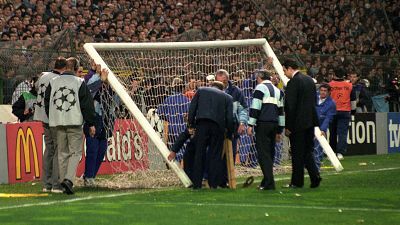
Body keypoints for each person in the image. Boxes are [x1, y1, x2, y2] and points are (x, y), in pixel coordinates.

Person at [45, 57, 96, 195]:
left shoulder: (53, 82)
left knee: (61, 152)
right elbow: (87, 105)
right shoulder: (79, 82)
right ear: (75, 68)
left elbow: (47, 102)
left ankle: (62, 182)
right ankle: (68, 180)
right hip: (74, 122)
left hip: (57, 123)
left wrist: (52, 117)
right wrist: (91, 122)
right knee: (75, 152)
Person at [282, 58, 321, 188]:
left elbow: (290, 107)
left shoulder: (293, 82)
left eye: (284, 70)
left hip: (298, 124)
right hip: (310, 122)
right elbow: (314, 102)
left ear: (289, 68)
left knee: (297, 154)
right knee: (307, 151)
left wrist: (288, 126)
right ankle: (315, 177)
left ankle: (297, 182)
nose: (284, 73)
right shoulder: (309, 80)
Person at [188, 81, 233, 189]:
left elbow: (192, 108)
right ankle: (213, 184)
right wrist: (229, 132)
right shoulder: (228, 97)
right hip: (218, 127)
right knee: (215, 155)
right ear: (222, 89)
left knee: (199, 154)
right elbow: (229, 117)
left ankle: (197, 184)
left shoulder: (201, 90)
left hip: (202, 124)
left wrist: (191, 124)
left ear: (211, 85)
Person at [247, 70, 284, 190]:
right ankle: (266, 181)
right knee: (270, 153)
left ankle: (269, 183)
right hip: (274, 125)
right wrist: (279, 130)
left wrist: (250, 124)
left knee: (263, 154)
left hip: (263, 124)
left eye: (257, 77)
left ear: (260, 77)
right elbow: (281, 112)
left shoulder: (260, 88)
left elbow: (255, 107)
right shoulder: (278, 91)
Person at [33, 57, 66, 193]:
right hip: (53, 118)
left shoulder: (44, 76)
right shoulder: (57, 80)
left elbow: (35, 88)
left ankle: (46, 184)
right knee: (58, 150)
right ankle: (56, 184)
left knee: (49, 150)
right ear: (64, 68)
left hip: (42, 117)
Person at [82, 64, 109, 186]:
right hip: (92, 119)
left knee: (102, 149)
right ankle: (88, 176)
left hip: (105, 120)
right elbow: (88, 89)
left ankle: (91, 175)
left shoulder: (109, 89)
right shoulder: (93, 82)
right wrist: (98, 76)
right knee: (92, 149)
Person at [215, 69, 248, 160]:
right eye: (219, 81)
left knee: (231, 154)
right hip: (215, 127)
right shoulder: (212, 91)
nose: (222, 83)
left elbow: (243, 108)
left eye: (224, 81)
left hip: (232, 127)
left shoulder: (236, 91)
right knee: (216, 155)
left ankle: (229, 174)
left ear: (228, 79)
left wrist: (242, 123)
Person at [329, 68, 356, 160]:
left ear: (334, 74)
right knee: (342, 133)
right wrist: (353, 112)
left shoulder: (329, 85)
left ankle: (332, 153)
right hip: (345, 111)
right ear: (343, 75)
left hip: (332, 111)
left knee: (332, 133)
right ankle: (340, 153)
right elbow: (353, 100)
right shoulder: (349, 85)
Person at [314, 83, 336, 170]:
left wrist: (323, 129)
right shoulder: (314, 97)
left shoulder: (331, 104)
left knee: (318, 146)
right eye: (321, 90)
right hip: (310, 125)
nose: (322, 92)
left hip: (320, 127)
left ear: (329, 92)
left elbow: (328, 118)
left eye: (325, 91)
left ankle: (317, 166)